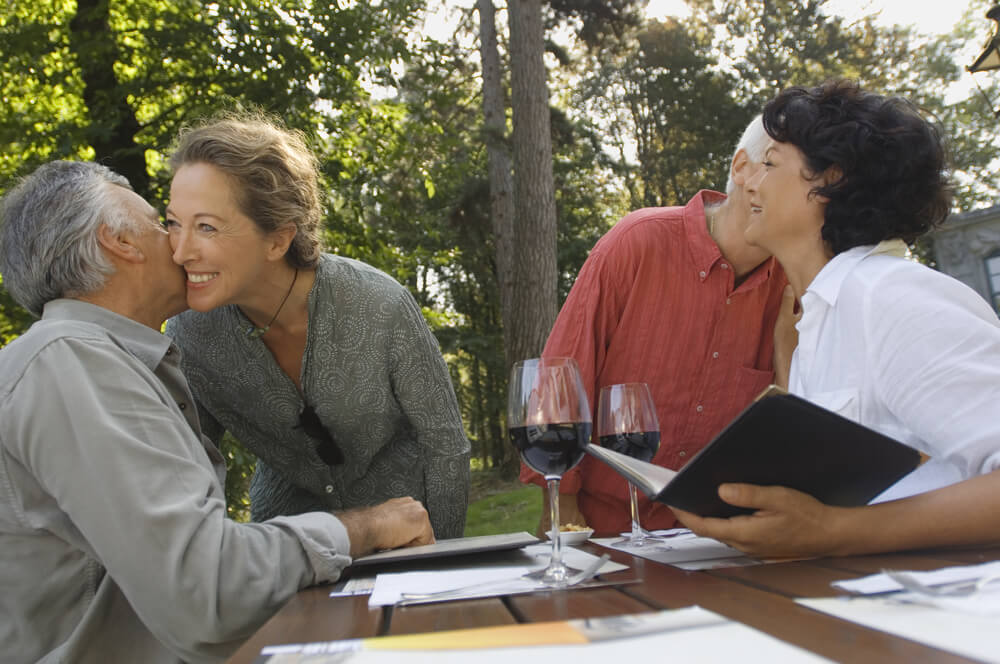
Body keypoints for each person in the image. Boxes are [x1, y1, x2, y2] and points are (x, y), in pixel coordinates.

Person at [0, 160, 435, 663]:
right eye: (164, 223)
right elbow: (205, 590)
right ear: (119, 241)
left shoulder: (96, 362)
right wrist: (368, 528)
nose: (181, 244)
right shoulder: (71, 364)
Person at [672, 79, 1000, 558]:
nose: (750, 181)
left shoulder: (892, 298)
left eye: (770, 164)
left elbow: (833, 525)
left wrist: (834, 531)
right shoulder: (821, 318)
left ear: (829, 181)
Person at [162, 113, 470, 538]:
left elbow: (445, 446)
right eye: (174, 223)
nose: (180, 252)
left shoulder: (380, 304)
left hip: (408, 537)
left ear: (278, 239)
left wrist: (443, 560)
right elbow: (187, 467)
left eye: (206, 227)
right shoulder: (187, 334)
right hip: (293, 544)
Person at [520, 116, 789, 537]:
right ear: (742, 169)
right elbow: (562, 380)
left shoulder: (793, 286)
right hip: (603, 530)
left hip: (716, 540)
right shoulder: (638, 242)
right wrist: (563, 508)